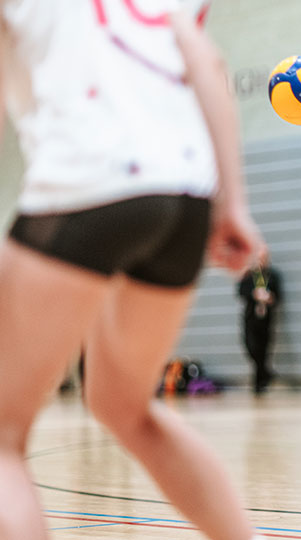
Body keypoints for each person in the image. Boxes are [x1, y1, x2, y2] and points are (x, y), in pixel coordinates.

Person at [0, 1, 265, 539]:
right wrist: (231, 203)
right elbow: (204, 62)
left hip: (87, 177)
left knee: (2, 437)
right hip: (184, 192)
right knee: (123, 406)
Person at [238, 250, 283, 394]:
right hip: (251, 318)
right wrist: (254, 294)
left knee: (263, 351)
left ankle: (259, 385)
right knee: (251, 347)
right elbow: (241, 292)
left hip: (266, 319)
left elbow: (279, 297)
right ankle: (266, 374)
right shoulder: (248, 275)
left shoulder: (273, 276)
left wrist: (269, 298)